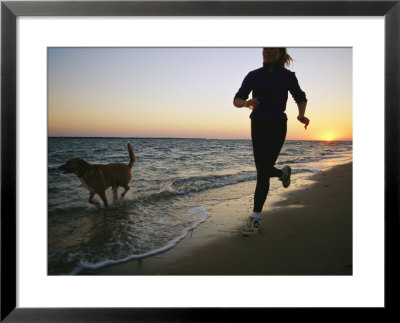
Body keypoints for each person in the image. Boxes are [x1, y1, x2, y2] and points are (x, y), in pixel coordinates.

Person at [233, 48, 309, 236]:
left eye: (271, 48)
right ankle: (282, 173)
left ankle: (255, 219)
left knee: (262, 171)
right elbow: (236, 99)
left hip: (277, 124)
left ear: (279, 53)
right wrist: (246, 103)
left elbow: (300, 96)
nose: (266, 51)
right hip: (257, 124)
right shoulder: (253, 75)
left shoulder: (287, 76)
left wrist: (301, 115)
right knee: (263, 169)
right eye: (265, 48)